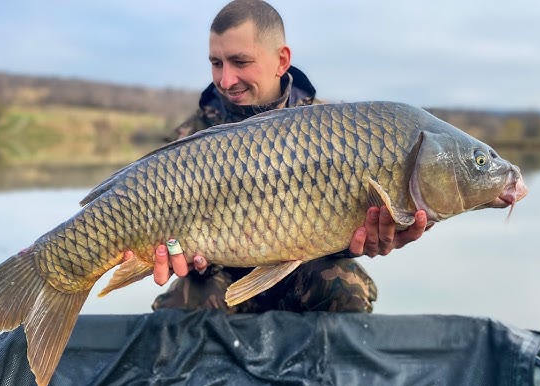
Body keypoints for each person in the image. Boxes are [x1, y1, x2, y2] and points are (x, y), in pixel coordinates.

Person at [139, 0, 428, 313]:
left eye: (240, 62)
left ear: (281, 60)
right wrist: (170, 256)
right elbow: (166, 241)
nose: (225, 80)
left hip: (306, 269)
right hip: (220, 274)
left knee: (343, 287)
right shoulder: (188, 139)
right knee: (182, 308)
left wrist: (372, 240)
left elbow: (344, 223)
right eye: (217, 63)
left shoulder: (336, 130)